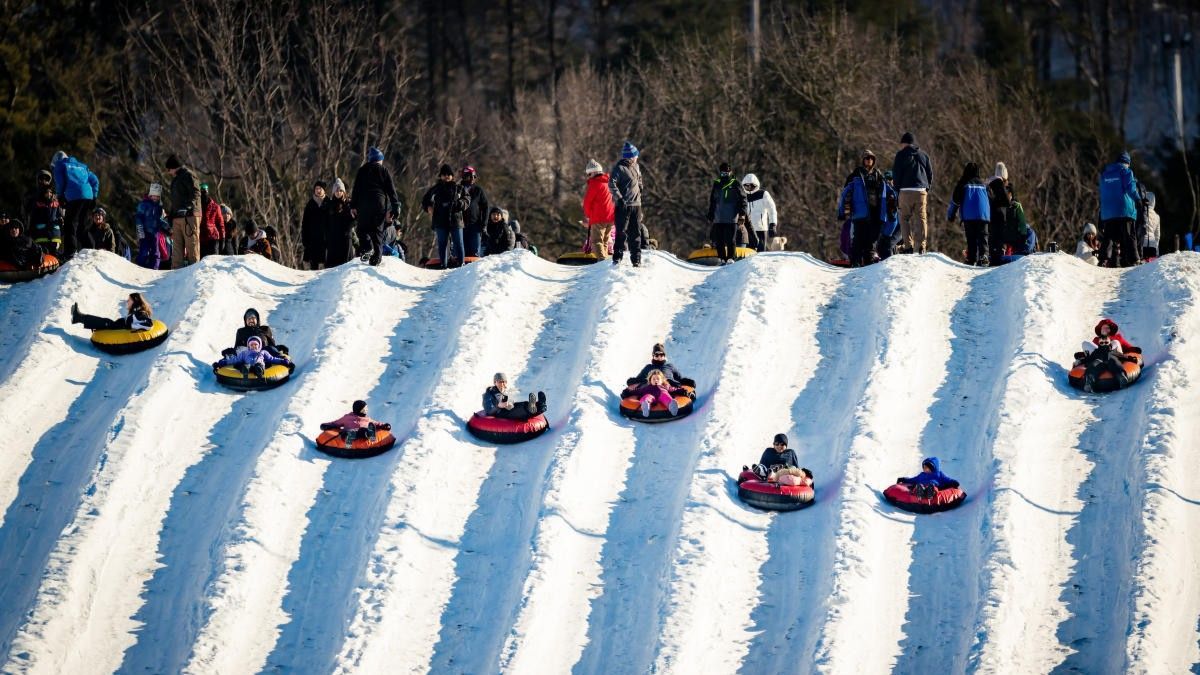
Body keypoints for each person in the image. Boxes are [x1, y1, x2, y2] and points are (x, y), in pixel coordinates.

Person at [350, 146, 401, 266]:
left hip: (363, 204)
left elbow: (356, 189)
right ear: (379, 159)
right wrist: (395, 206)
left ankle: (367, 248)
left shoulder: (362, 170)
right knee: (377, 230)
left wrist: (353, 206)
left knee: (362, 229)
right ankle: (377, 257)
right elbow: (391, 190)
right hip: (379, 203)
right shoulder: (383, 170)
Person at [838, 151, 887, 267]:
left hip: (875, 213)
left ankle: (868, 265)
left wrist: (886, 212)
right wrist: (843, 212)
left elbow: (886, 192)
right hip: (859, 213)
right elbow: (845, 193)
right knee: (858, 239)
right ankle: (855, 263)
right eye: (867, 158)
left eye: (871, 158)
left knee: (871, 241)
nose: (869, 160)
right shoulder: (855, 175)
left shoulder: (878, 175)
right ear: (863, 159)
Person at [51, 151, 100, 261]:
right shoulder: (82, 166)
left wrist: (60, 196)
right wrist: (95, 196)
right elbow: (95, 180)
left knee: (69, 224)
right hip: (88, 196)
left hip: (74, 197)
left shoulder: (60, 165)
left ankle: (70, 252)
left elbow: (60, 182)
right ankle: (91, 249)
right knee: (82, 226)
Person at [890, 132, 934, 254]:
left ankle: (908, 246)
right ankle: (921, 246)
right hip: (921, 191)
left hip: (905, 191)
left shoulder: (900, 155)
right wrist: (927, 187)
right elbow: (930, 173)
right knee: (921, 218)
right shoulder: (924, 155)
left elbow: (896, 173)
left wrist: (897, 189)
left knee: (904, 219)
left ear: (904, 143)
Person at [1098, 151, 1142, 268]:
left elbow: (1102, 194)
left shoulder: (1105, 174)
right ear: (1127, 162)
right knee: (1129, 235)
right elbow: (1130, 188)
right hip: (1124, 209)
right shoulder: (1126, 171)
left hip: (1108, 211)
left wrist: (1101, 212)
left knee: (1109, 236)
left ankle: (1103, 259)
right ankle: (1133, 260)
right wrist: (1138, 200)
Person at [422, 164, 470, 268]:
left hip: (456, 220)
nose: (447, 176)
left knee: (459, 243)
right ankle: (444, 265)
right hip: (440, 221)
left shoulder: (459, 188)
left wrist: (460, 204)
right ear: (440, 176)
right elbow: (425, 200)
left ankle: (461, 264)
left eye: (449, 174)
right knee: (442, 244)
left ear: (452, 176)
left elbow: (467, 200)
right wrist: (428, 207)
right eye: (444, 174)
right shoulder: (435, 189)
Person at [947, 162, 992, 266]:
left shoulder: (963, 183)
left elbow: (955, 200)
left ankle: (971, 258)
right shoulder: (984, 184)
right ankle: (984, 256)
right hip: (983, 215)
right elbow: (991, 198)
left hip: (969, 215)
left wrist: (951, 215)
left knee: (971, 238)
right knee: (983, 236)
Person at [1074, 318, 1137, 392]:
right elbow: (1092, 353)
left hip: (1113, 355)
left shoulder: (1117, 337)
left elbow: (1126, 348)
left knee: (1114, 361)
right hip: (1099, 358)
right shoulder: (1097, 339)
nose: (1105, 330)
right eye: (1102, 328)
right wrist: (1081, 358)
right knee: (1093, 365)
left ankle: (1121, 377)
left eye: (1107, 328)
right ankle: (1089, 382)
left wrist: (1132, 354)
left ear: (1110, 329)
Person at [609, 142, 644, 267]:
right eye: (635, 155)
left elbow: (639, 178)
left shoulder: (636, 166)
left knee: (636, 233)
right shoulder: (619, 168)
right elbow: (611, 184)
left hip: (636, 205)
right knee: (621, 232)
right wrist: (619, 198)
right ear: (629, 156)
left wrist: (640, 187)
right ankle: (617, 258)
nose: (637, 158)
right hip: (623, 205)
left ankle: (636, 259)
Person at [164, 154, 202, 267]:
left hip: (190, 216)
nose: (168, 172)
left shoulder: (189, 175)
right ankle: (175, 275)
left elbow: (196, 192)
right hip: (177, 217)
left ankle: (193, 273)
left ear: (174, 167)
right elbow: (175, 201)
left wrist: (187, 207)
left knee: (192, 247)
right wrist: (171, 216)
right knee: (176, 249)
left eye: (169, 169)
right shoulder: (176, 180)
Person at [708, 162, 749, 265]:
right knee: (719, 240)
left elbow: (743, 199)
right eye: (722, 174)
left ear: (730, 172)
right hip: (718, 217)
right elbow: (713, 200)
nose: (724, 175)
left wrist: (742, 214)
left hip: (732, 217)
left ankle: (731, 257)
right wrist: (711, 212)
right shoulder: (716, 183)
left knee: (731, 239)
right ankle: (721, 258)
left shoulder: (736, 183)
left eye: (726, 173)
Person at [212, 335, 293, 378]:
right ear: (249, 346)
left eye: (255, 345)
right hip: (248, 366)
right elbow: (234, 360)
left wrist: (283, 361)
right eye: (251, 345)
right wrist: (221, 363)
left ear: (259, 346)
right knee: (245, 365)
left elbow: (272, 359)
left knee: (259, 365)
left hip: (260, 366)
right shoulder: (245, 353)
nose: (254, 347)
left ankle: (259, 370)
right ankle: (245, 370)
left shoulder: (263, 352)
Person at [24, 172, 64, 256]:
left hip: (54, 234)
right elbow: (28, 214)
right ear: (38, 180)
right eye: (41, 179)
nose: (44, 181)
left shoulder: (56, 199)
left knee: (55, 255)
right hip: (39, 234)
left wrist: (61, 224)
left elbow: (60, 215)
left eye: (46, 179)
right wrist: (29, 230)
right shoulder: (32, 196)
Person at [70, 293, 153, 332]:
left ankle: (78, 317)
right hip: (118, 327)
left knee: (104, 322)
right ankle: (79, 317)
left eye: (129, 300)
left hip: (119, 330)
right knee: (105, 321)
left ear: (135, 301)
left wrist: (131, 326)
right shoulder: (137, 311)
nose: (127, 301)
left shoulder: (140, 313)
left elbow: (149, 324)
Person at [223, 307, 287, 358]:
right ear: (245, 321)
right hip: (246, 357)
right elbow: (237, 348)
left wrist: (279, 348)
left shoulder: (265, 329)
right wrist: (230, 351)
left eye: (253, 318)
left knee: (269, 348)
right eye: (248, 319)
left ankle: (281, 359)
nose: (251, 320)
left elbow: (272, 346)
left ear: (257, 319)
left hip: (265, 356)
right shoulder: (241, 331)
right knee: (241, 349)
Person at [320, 400, 392, 444]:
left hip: (362, 433)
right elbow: (336, 423)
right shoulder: (347, 417)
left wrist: (384, 425)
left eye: (366, 408)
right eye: (365, 408)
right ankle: (348, 435)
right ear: (359, 409)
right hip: (349, 432)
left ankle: (363, 434)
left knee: (364, 430)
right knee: (349, 432)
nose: (366, 410)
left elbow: (376, 424)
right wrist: (327, 425)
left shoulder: (367, 419)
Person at [582, 159, 615, 257]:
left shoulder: (595, 184)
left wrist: (588, 215)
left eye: (589, 174)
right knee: (605, 241)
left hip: (598, 218)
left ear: (593, 172)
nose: (588, 177)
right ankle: (605, 263)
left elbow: (587, 202)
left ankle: (601, 262)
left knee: (597, 241)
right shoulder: (608, 183)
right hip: (610, 218)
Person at [482, 372, 547, 420]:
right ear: (495, 382)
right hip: (499, 414)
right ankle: (533, 409)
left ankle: (540, 404)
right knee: (517, 411)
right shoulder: (489, 393)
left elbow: (511, 402)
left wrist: (510, 404)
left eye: (504, 382)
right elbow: (489, 410)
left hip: (507, 410)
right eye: (500, 382)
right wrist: (498, 406)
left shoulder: (505, 392)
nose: (502, 384)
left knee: (521, 404)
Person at [135, 183, 170, 269]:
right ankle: (139, 267)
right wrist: (140, 231)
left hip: (155, 232)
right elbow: (138, 218)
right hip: (145, 232)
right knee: (144, 251)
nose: (155, 198)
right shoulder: (144, 204)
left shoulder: (159, 206)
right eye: (153, 196)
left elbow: (159, 220)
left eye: (157, 196)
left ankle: (154, 269)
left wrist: (167, 226)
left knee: (156, 252)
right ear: (150, 195)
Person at [742, 174, 778, 253]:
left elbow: (772, 209)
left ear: (756, 185)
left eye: (751, 186)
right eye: (746, 186)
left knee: (760, 255)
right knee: (748, 255)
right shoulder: (743, 196)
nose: (749, 188)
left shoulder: (763, 194)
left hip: (760, 229)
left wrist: (773, 224)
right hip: (747, 230)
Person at [459, 166, 490, 258]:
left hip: (475, 226)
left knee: (475, 254)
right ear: (464, 177)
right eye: (470, 176)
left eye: (474, 176)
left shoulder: (478, 190)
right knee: (462, 253)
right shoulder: (458, 189)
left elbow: (485, 207)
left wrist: (484, 223)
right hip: (460, 226)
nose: (472, 178)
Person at [324, 178, 356, 267]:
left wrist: (353, 218)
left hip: (346, 239)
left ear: (343, 191)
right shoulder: (329, 205)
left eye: (340, 190)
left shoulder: (349, 204)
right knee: (332, 268)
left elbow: (354, 220)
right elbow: (326, 222)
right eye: (337, 190)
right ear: (333, 192)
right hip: (333, 240)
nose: (338, 192)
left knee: (346, 267)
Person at [986, 163, 1010, 266]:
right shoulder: (999, 183)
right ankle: (997, 260)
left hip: (990, 216)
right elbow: (1006, 202)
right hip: (998, 216)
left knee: (992, 239)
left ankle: (992, 258)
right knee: (999, 240)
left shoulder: (988, 183)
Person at [301, 180, 328, 270]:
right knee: (313, 266)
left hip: (325, 239)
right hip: (312, 239)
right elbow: (304, 223)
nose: (318, 190)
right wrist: (304, 239)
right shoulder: (310, 204)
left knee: (324, 265)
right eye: (316, 188)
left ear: (324, 190)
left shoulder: (329, 203)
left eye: (320, 188)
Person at [878, 170, 901, 259]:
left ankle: (890, 265)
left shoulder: (896, 192)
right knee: (881, 247)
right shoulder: (882, 193)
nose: (888, 181)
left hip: (899, 227)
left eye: (890, 179)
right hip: (889, 227)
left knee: (888, 245)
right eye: (886, 179)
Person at [199, 183, 226, 258]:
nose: (204, 192)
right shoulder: (196, 207)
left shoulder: (215, 206)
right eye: (202, 190)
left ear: (207, 191)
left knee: (213, 262)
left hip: (213, 238)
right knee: (202, 263)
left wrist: (222, 238)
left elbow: (221, 224)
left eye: (205, 190)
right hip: (201, 238)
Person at [1141, 191, 1160, 259]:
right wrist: (1156, 249)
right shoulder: (1157, 216)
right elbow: (1157, 236)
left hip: (1141, 244)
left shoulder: (1139, 212)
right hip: (1153, 245)